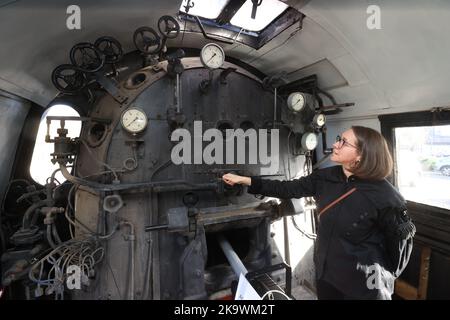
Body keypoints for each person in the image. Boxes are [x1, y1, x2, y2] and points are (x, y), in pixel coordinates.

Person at [222, 126, 415, 300]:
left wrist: (378, 277)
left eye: (343, 142)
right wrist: (245, 180)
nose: (335, 144)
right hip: (327, 274)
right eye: (339, 138)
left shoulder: (387, 198)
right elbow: (287, 189)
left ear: (361, 155)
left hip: (363, 284)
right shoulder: (326, 177)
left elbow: (398, 256)